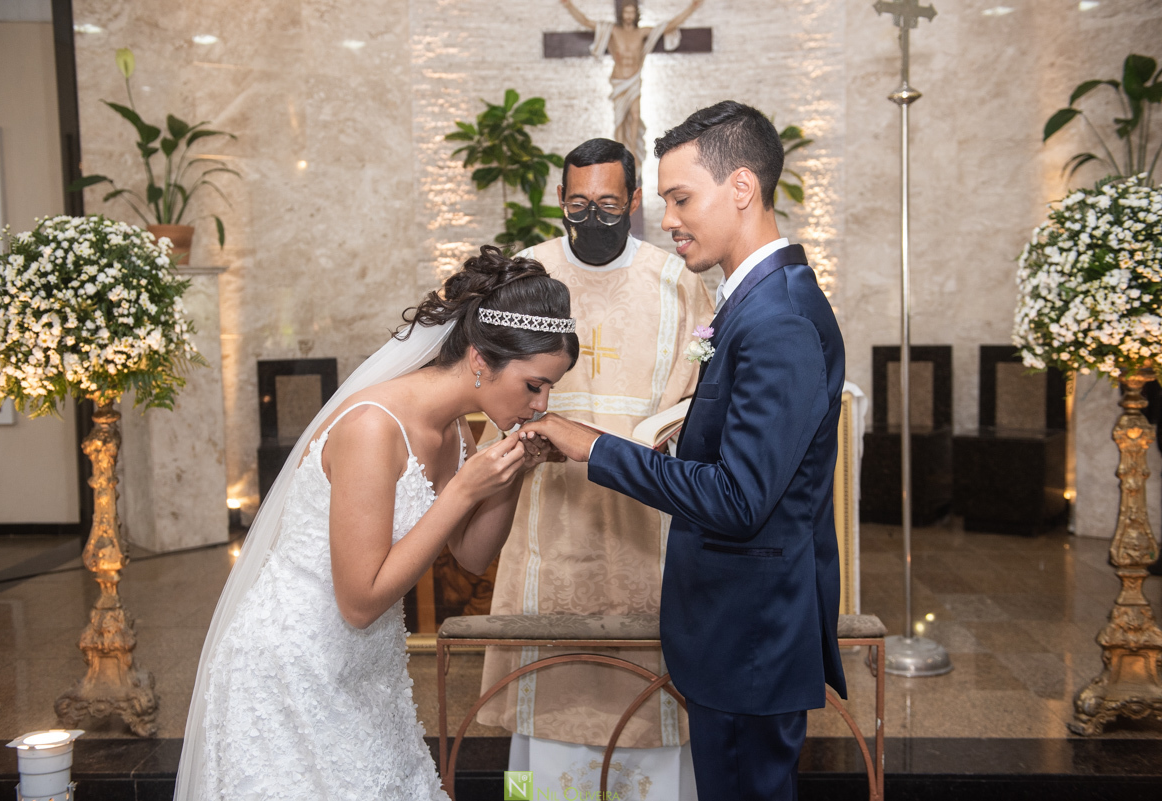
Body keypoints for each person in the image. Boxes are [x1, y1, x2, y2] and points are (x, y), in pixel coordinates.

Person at [522, 101, 847, 801]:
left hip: (748, 637)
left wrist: (594, 446)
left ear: (741, 189)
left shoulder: (779, 318)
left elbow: (739, 497)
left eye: (680, 197)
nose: (666, 219)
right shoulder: (752, 300)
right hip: (741, 631)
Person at [174, 246, 579, 800]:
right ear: (481, 359)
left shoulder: (460, 429)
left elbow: (471, 557)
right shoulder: (372, 426)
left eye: (551, 387)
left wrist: (515, 474)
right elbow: (359, 601)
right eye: (534, 384)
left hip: (367, 666)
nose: (542, 403)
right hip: (294, 667)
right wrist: (462, 490)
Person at [478, 137, 712, 797]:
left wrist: (669, 431)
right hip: (546, 518)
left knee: (652, 700)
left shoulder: (678, 280)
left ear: (634, 202)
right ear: (560, 199)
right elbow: (491, 378)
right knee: (544, 696)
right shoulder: (529, 273)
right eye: (578, 203)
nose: (593, 217)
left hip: (645, 521)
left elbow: (701, 394)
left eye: (609, 204)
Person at [560, 0, 705, 174]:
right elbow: (586, 21)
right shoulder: (613, 30)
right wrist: (569, 5)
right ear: (622, 15)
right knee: (620, 120)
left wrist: (692, 7)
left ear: (636, 15)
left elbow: (668, 26)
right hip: (620, 80)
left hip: (634, 80)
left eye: (631, 12)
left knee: (635, 116)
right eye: (626, 12)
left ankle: (633, 156)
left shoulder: (641, 33)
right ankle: (618, 154)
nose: (628, 16)